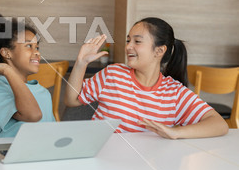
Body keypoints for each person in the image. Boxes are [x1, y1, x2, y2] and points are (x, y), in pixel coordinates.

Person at [65, 17, 228, 139]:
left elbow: (219, 124)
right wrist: (81, 63)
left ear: (159, 51)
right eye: (128, 40)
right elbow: (72, 100)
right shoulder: (112, 74)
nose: (128, 46)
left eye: (137, 41)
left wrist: (176, 132)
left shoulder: (174, 93)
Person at [0, 11, 55, 138]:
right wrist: (7, 70)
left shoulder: (43, 93)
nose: (37, 53)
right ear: (7, 53)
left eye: (37, 47)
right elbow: (33, 115)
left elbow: (51, 133)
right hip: (3, 153)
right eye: (29, 46)